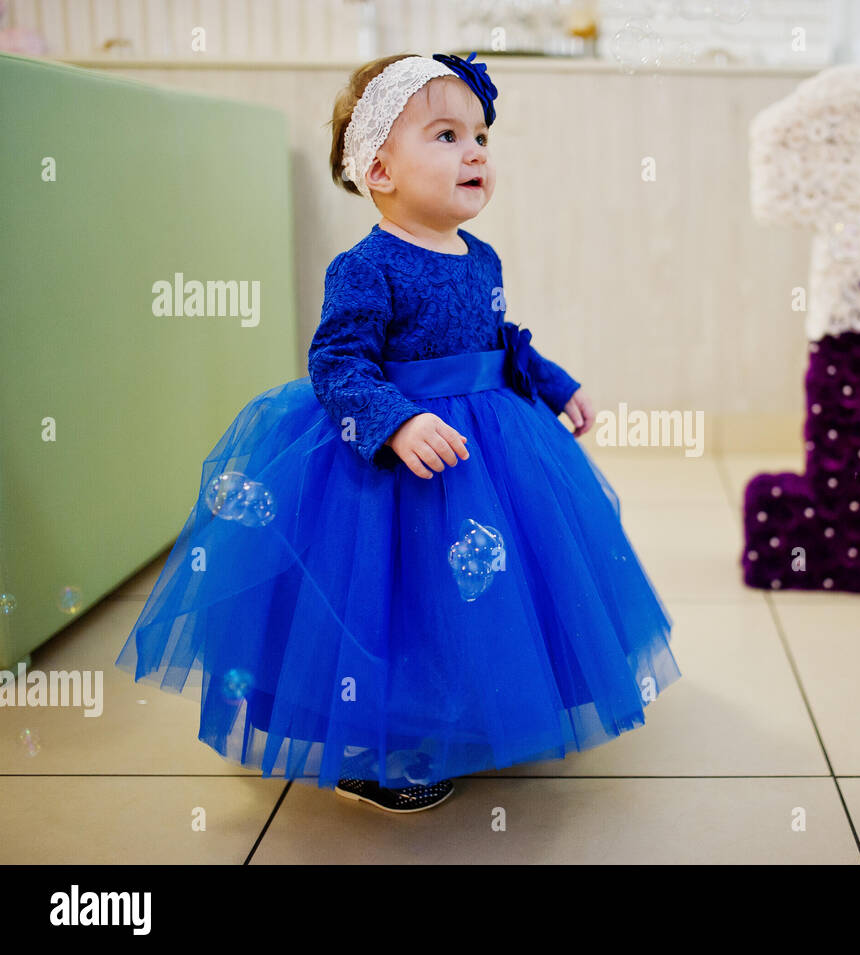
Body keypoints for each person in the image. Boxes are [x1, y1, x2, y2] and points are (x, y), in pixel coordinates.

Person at [116, 52, 680, 814]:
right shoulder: (366, 266)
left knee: (481, 591)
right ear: (379, 170)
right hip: (392, 461)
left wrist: (552, 381)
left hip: (488, 450)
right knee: (396, 595)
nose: (476, 151)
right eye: (446, 136)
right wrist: (396, 420)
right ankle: (376, 742)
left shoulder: (481, 258)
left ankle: (472, 709)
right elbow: (338, 361)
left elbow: (498, 335)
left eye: (481, 135)